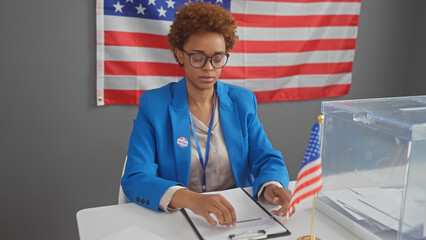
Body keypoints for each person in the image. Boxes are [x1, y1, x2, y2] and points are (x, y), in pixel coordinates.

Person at [121, 2, 292, 227]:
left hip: (236, 218)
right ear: (180, 55)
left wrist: (272, 187)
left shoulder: (242, 102)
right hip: (180, 218)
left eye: (218, 58)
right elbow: (135, 177)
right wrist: (192, 200)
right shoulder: (154, 105)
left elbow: (266, 157)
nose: (209, 67)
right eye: (198, 57)